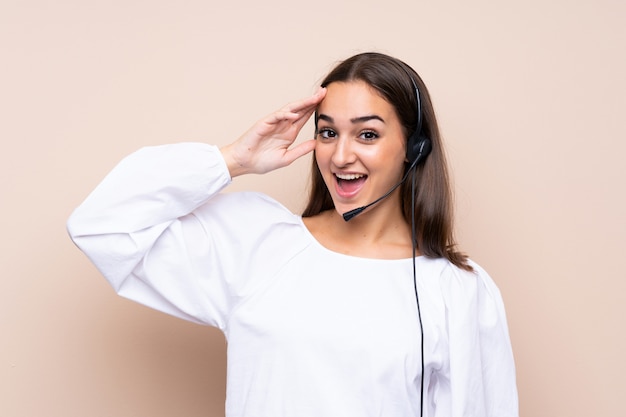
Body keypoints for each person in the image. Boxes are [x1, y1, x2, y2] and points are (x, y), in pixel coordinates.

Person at [67, 52, 518, 417]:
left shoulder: (459, 291)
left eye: (366, 134)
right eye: (327, 132)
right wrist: (233, 160)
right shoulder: (258, 243)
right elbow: (101, 225)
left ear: (412, 148)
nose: (342, 156)